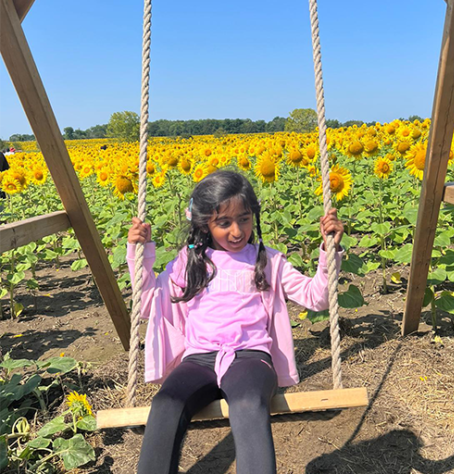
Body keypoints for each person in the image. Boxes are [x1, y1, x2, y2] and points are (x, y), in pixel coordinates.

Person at [127, 170, 344, 474]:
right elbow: (148, 303)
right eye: (224, 223)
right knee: (165, 404)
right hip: (198, 358)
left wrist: (329, 251)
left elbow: (317, 297)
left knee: (248, 404)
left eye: (244, 219)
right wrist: (140, 255)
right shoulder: (189, 262)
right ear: (205, 224)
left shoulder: (266, 261)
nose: (237, 231)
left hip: (250, 357)